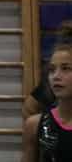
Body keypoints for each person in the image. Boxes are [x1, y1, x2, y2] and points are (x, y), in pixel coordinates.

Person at [25, 23, 72, 161]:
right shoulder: (34, 125)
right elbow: (29, 106)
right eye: (52, 70)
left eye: (66, 68)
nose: (56, 76)